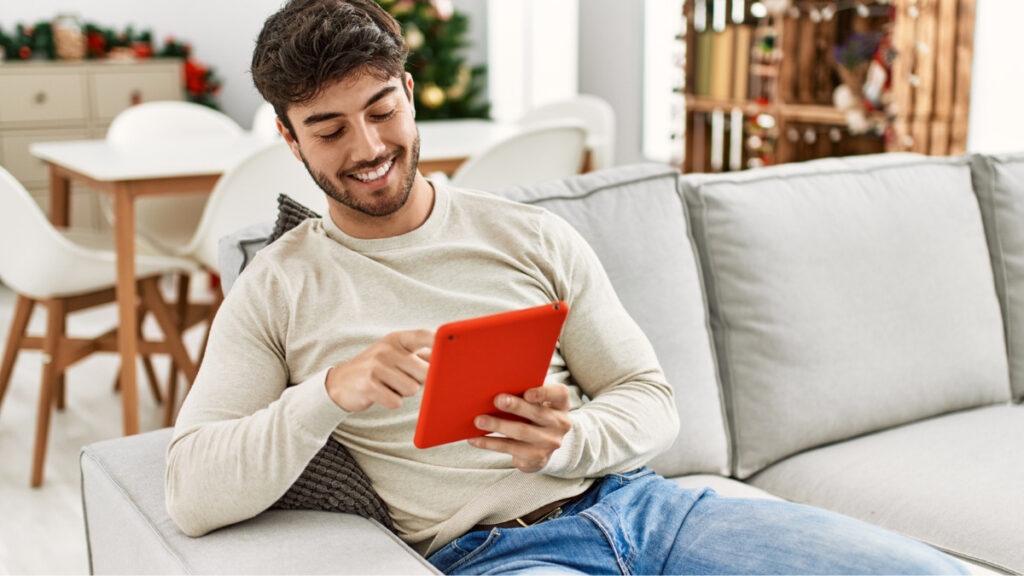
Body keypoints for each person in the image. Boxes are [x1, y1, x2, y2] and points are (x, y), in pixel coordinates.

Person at [165, 1, 966, 573]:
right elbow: (190, 493)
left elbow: (648, 396)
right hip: (496, 553)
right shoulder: (277, 288)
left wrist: (571, 438)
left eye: (380, 111)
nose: (368, 148)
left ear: (409, 96)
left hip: (647, 509)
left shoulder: (529, 233)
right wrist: (329, 394)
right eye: (330, 130)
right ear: (289, 138)